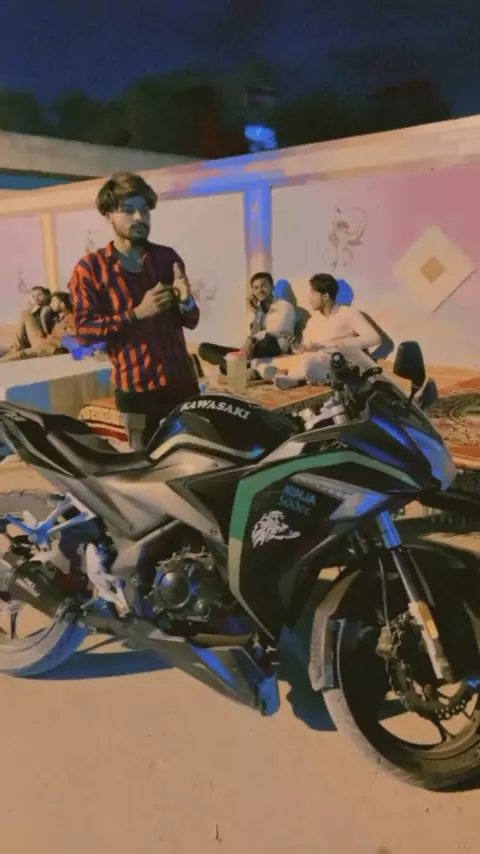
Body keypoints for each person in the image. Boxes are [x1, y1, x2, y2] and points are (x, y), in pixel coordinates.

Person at [70, 170, 200, 449]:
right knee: (146, 464)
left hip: (183, 383)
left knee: (193, 458)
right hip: (138, 391)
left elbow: (191, 320)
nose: (139, 217)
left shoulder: (166, 258)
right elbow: (83, 331)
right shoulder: (90, 269)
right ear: (108, 215)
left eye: (145, 210)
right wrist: (137, 313)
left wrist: (186, 301)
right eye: (128, 210)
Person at [261, 273, 382, 389]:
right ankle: (288, 377)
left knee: (309, 363)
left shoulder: (348, 313)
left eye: (313, 294)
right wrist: (296, 346)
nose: (310, 299)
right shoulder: (313, 321)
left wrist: (341, 343)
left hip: (336, 361)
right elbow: (305, 349)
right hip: (312, 358)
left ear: (325, 296)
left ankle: (291, 378)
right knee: (269, 363)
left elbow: (374, 338)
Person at [198, 272, 296, 372]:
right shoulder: (256, 310)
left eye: (263, 286)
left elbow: (275, 332)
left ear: (272, 287)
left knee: (267, 340)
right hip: (252, 351)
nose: (260, 290)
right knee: (203, 348)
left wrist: (252, 339)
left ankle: (234, 365)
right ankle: (230, 365)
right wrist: (256, 314)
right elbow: (250, 336)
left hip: (274, 347)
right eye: (256, 288)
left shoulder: (284, 307)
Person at [0, 290, 76, 362]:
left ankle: (12, 352)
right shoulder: (54, 317)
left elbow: (74, 337)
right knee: (25, 313)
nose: (51, 303)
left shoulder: (70, 318)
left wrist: (59, 345)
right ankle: (16, 347)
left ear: (62, 304)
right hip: (43, 341)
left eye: (53, 301)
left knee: (18, 355)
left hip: (50, 347)